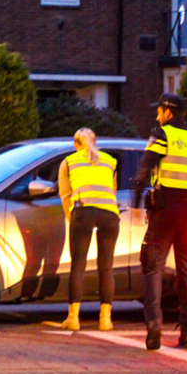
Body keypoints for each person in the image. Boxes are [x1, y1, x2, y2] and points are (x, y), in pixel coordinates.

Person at [132, 93, 187, 351]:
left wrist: (136, 203)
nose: (157, 115)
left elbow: (143, 170)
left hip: (164, 210)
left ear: (168, 112)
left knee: (153, 266)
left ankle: (154, 325)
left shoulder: (162, 135)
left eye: (159, 110)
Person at [57, 128, 121, 332]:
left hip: (83, 212)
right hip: (110, 215)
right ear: (95, 141)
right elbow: (113, 190)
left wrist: (72, 218)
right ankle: (105, 320)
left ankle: (73, 318)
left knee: (78, 265)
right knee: (106, 267)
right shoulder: (110, 161)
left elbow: (65, 195)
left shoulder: (69, 161)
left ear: (76, 144)